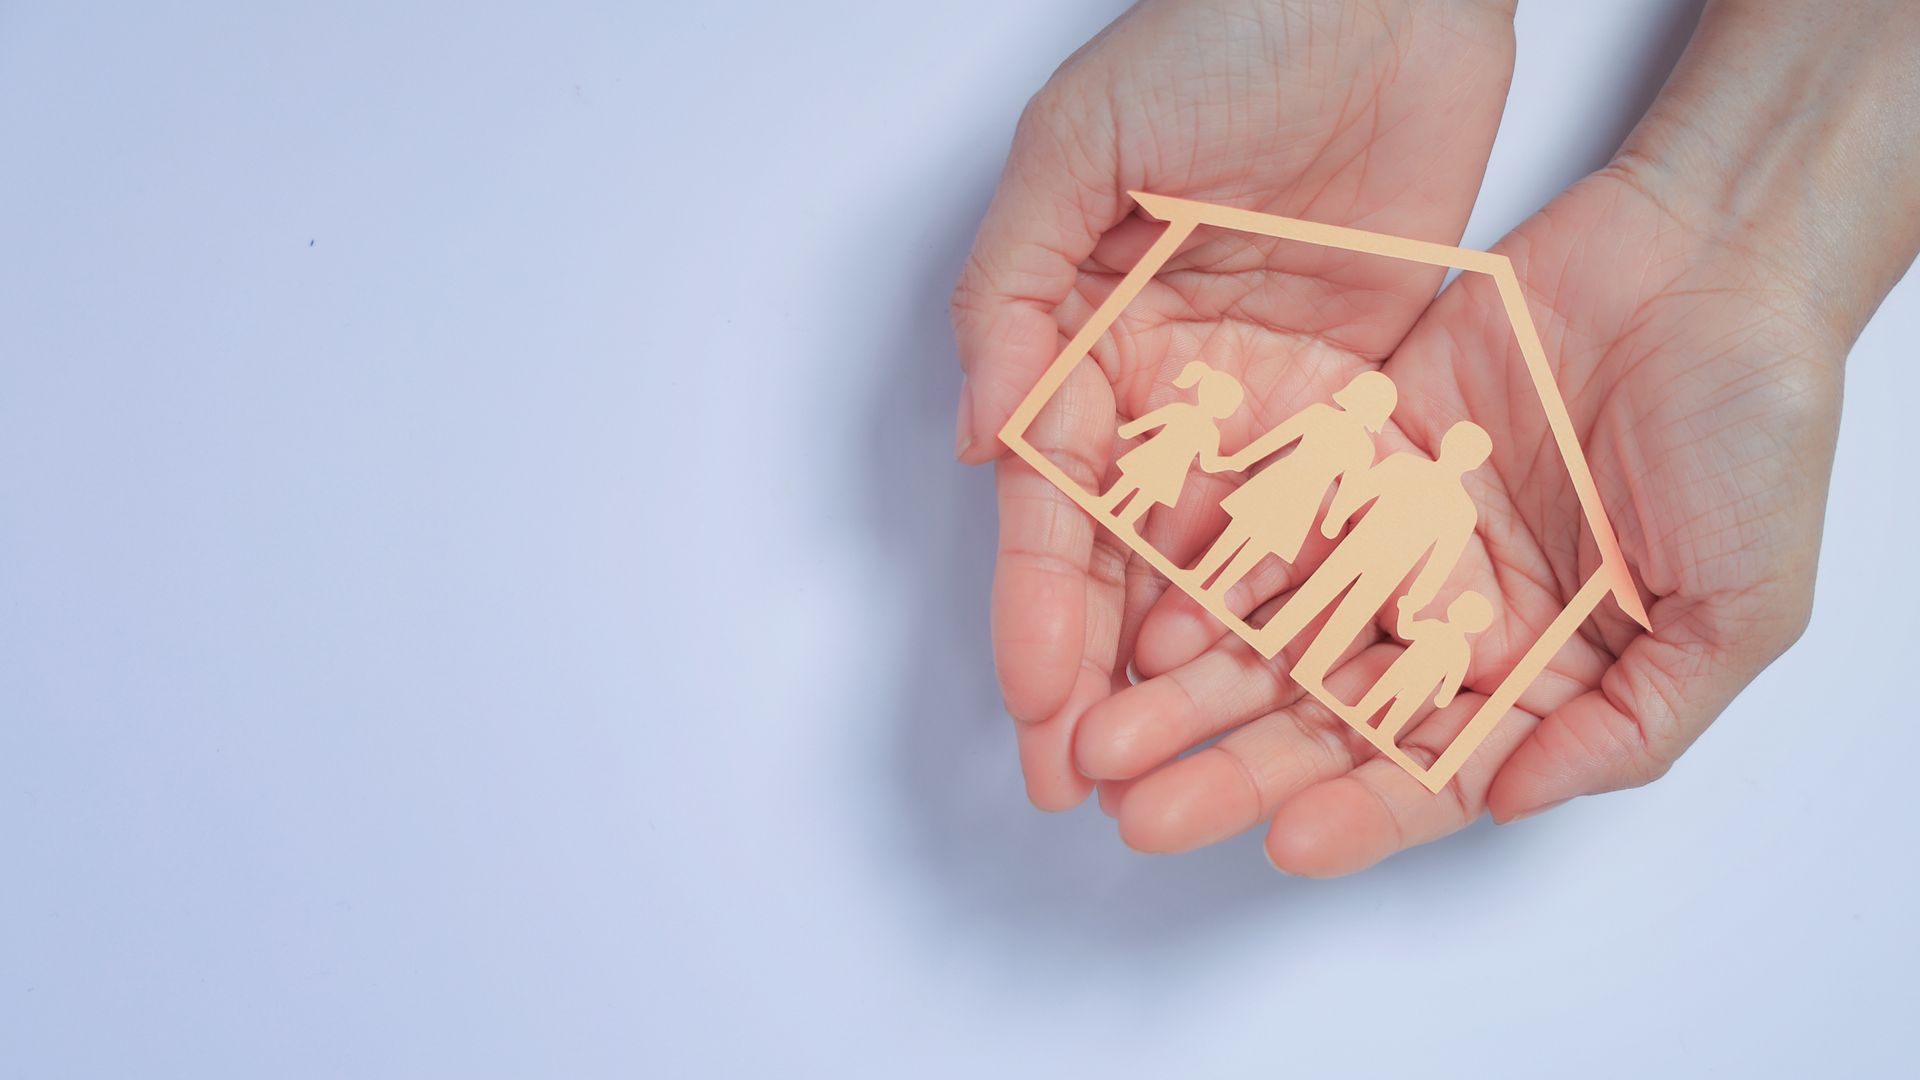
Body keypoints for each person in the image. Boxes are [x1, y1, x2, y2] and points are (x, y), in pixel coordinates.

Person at [950, 0, 1920, 875]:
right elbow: (1341, 491)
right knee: (1280, 593)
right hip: (1320, 534)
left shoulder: (1433, 489)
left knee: (1302, 611)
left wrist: (1756, 243)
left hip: (1355, 561)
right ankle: (1279, 627)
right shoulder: (1396, 464)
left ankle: (1286, 634)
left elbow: (1386, 524)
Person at [1255, 421, 1490, 689]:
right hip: (1367, 545)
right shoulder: (1423, 479)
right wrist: (1337, 516)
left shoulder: (1449, 501)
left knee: (1339, 603)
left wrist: (1419, 596)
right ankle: (1284, 645)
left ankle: (1299, 657)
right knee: (1328, 595)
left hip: (1383, 558)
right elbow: (1367, 488)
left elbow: (1441, 560)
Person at [1191, 370, 1394, 597]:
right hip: (1287, 481)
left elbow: (1349, 489)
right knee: (1243, 526)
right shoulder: (1327, 420)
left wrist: (1334, 519)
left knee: (1259, 538)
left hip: (1302, 495)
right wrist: (1241, 460)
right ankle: (1201, 575)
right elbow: (1278, 438)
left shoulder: (1361, 447)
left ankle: (1217, 587)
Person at [1094, 360, 1243, 531]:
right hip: (1162, 459)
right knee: (1136, 482)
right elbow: (1208, 464)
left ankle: (1124, 518)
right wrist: (1230, 464)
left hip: (1167, 463)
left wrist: (1231, 463)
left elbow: (1207, 463)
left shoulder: (1200, 425)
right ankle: (1111, 507)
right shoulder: (1204, 428)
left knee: (1142, 486)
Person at [1351, 591, 1494, 744]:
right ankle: (1362, 713)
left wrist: (1446, 694)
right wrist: (1406, 611)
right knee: (1384, 691)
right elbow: (1406, 631)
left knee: (1402, 705)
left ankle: (1383, 731)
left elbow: (1455, 675)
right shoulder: (1439, 630)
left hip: (1420, 681)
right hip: (1405, 670)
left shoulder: (1460, 648)